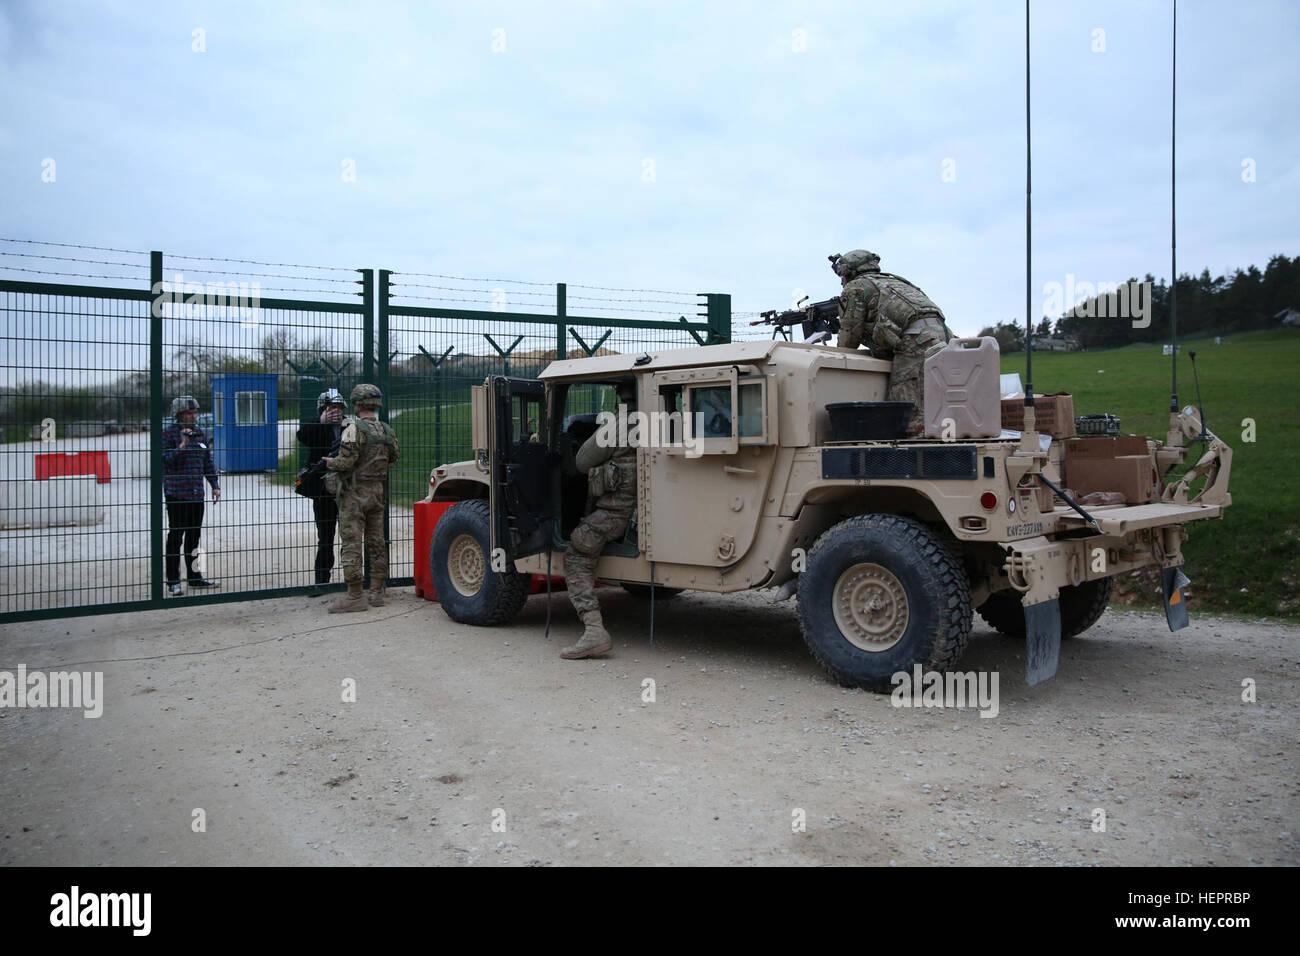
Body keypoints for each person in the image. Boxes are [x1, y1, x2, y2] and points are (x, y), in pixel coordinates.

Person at [832, 249, 954, 436]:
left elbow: (849, 340)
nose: (842, 282)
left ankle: (914, 451)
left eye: (842, 276)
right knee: (938, 397)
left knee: (905, 405)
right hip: (944, 336)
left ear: (849, 272)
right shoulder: (895, 282)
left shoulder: (856, 287)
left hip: (917, 339)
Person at [561, 381, 638, 660]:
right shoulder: (668, 420)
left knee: (576, 552)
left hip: (617, 515)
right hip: (642, 516)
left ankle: (594, 629)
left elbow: (581, 462)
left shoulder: (621, 425)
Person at [322, 383, 399, 613]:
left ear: (357, 404)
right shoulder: (387, 430)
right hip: (377, 491)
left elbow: (346, 461)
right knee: (376, 541)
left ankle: (355, 596)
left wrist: (331, 462)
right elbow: (393, 458)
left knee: (351, 542)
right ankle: (376, 591)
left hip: (354, 493)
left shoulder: (353, 428)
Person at [162, 395, 221, 595]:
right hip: (177, 494)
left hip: (197, 494)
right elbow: (165, 460)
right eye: (189, 413)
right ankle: (173, 581)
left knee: (194, 537)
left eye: (195, 412)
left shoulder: (200, 434)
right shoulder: (168, 434)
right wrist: (182, 445)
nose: (194, 416)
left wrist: (214, 484)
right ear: (179, 415)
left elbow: (207, 461)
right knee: (175, 537)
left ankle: (196, 577)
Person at [297, 388, 346, 595]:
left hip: (346, 489)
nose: (335, 411)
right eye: (330, 408)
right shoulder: (316, 427)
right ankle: (322, 580)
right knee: (325, 537)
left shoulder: (349, 426)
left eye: (338, 408)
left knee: (351, 536)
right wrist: (321, 421)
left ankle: (354, 579)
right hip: (324, 491)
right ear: (322, 409)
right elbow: (302, 436)